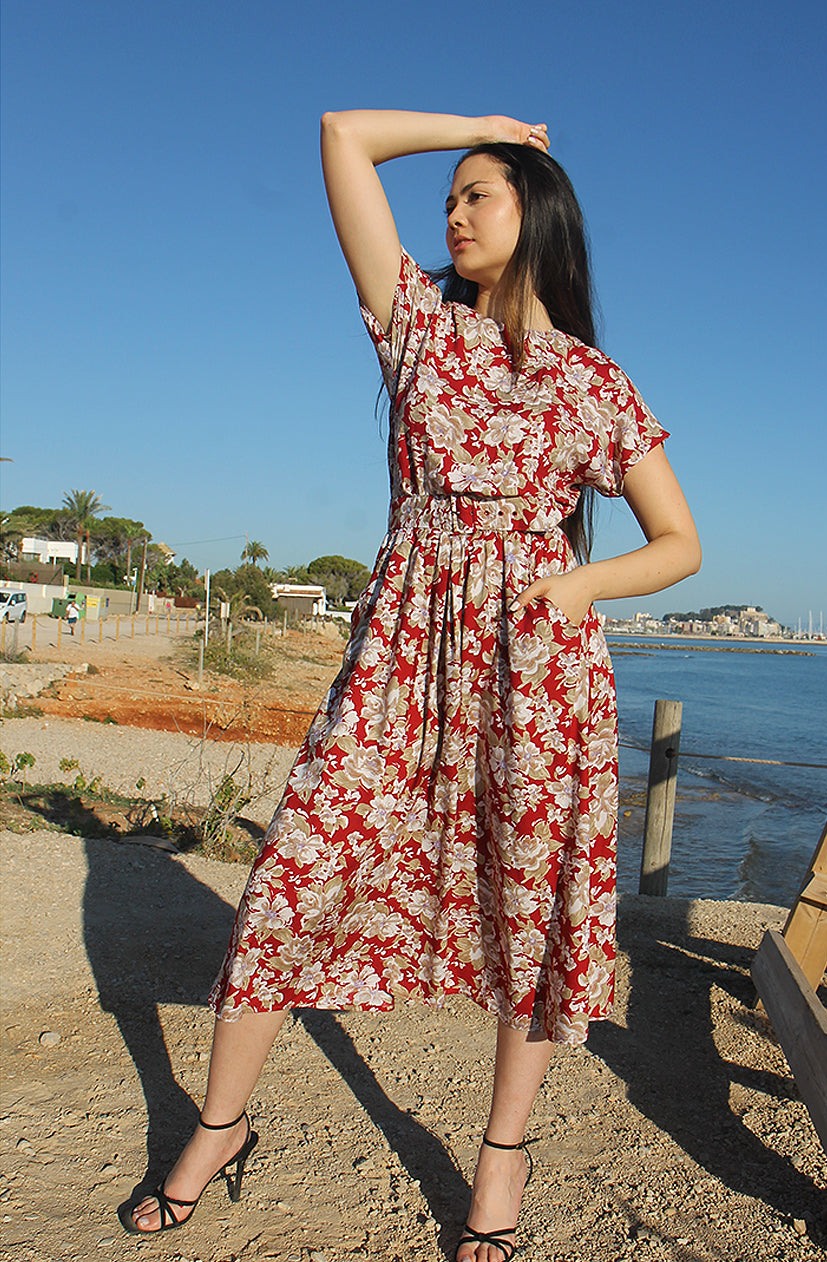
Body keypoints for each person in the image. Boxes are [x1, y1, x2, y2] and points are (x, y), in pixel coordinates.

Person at [123, 111, 701, 1260]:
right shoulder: (416, 330)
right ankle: (218, 1127)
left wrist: (574, 590)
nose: (452, 210)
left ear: (534, 214)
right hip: (399, 654)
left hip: (535, 666)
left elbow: (678, 542)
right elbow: (342, 135)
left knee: (526, 916)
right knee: (292, 874)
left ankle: (498, 1163)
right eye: (448, 194)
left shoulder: (594, 380)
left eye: (477, 191)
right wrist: (478, 126)